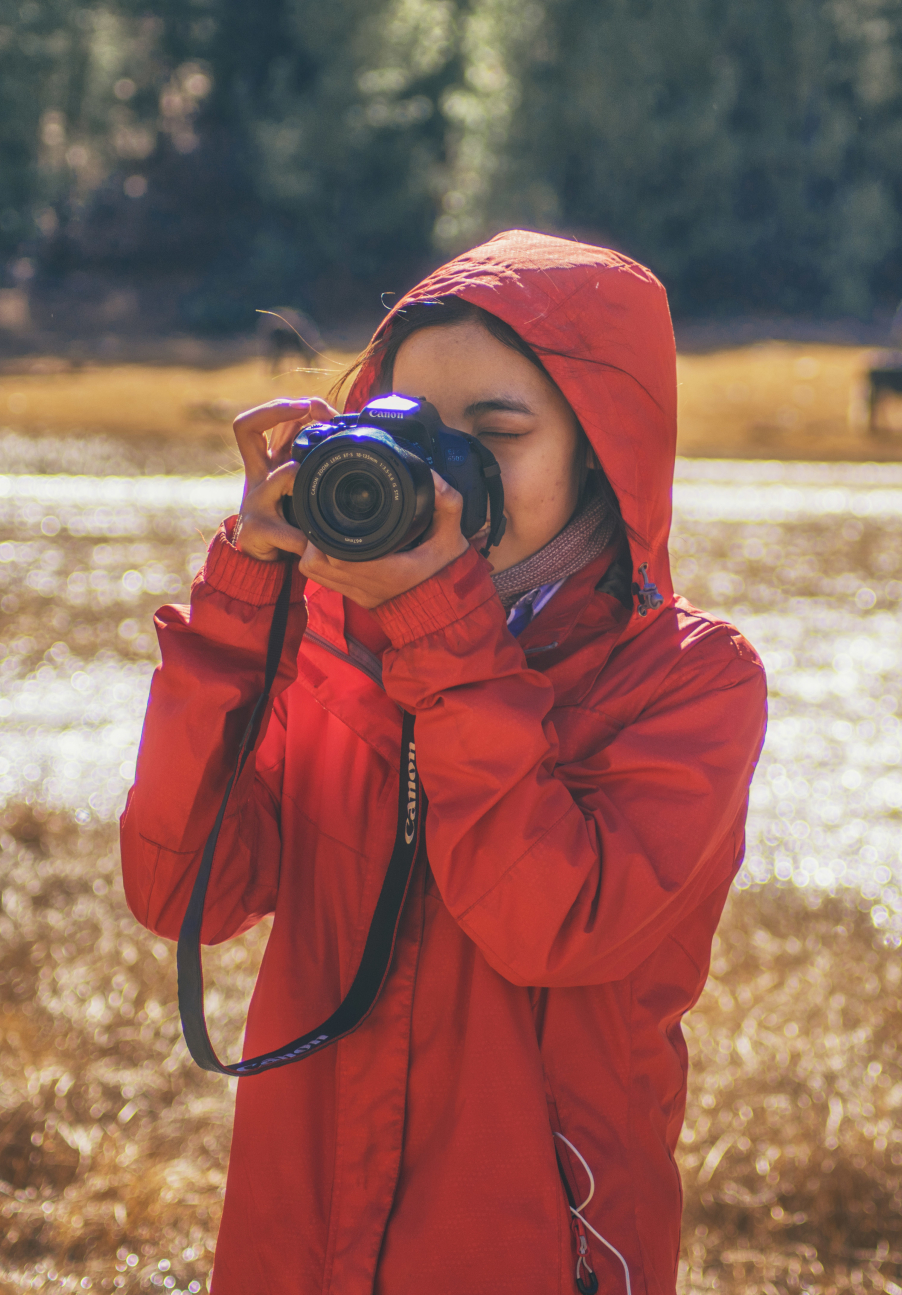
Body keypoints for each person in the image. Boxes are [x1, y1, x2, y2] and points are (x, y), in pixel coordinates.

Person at [119, 231, 769, 1294]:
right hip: (306, 1225)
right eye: (415, 432)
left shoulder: (689, 680)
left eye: (497, 434)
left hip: (535, 1246)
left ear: (602, 452)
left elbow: (546, 923)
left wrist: (440, 632)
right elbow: (178, 890)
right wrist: (243, 603)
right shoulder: (337, 640)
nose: (448, 468)